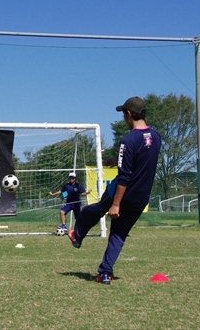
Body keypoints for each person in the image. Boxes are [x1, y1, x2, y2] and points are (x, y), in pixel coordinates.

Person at [68, 96, 161, 285]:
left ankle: (77, 235)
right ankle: (105, 273)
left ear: (129, 114)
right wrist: (116, 162)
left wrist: (116, 204)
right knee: (118, 233)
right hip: (141, 198)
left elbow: (125, 177)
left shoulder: (128, 141)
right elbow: (141, 162)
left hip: (120, 193)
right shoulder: (156, 137)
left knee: (94, 209)